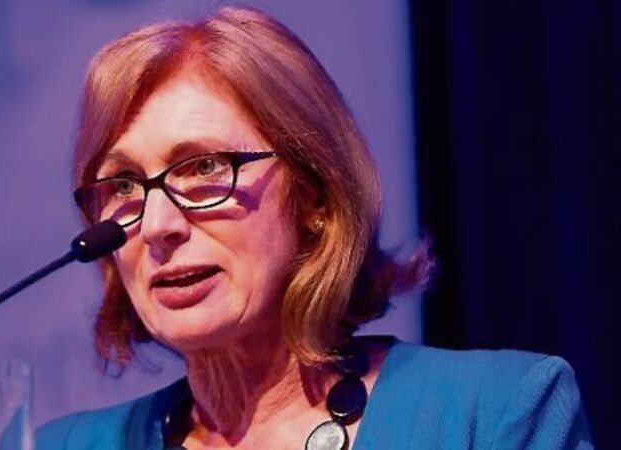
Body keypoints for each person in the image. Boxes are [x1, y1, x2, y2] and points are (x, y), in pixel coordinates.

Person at [36, 6, 592, 449]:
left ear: (315, 195)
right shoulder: (64, 446)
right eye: (124, 184)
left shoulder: (492, 414)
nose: (157, 225)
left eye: (204, 168)